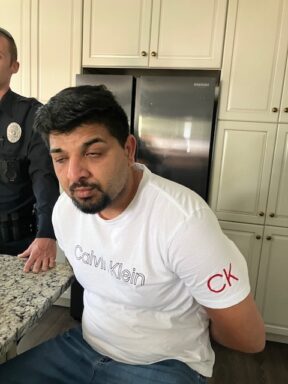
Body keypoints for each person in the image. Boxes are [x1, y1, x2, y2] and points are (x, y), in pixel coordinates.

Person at [0, 85, 266, 383]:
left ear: (128, 150)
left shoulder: (184, 222)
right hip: (84, 347)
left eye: (93, 153)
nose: (74, 174)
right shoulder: (66, 210)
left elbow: (248, 337)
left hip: (164, 364)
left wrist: (188, 329)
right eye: (61, 158)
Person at [0, 27, 59, 272]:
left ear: (15, 66)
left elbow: (44, 177)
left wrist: (47, 232)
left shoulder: (32, 114)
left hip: (17, 244)